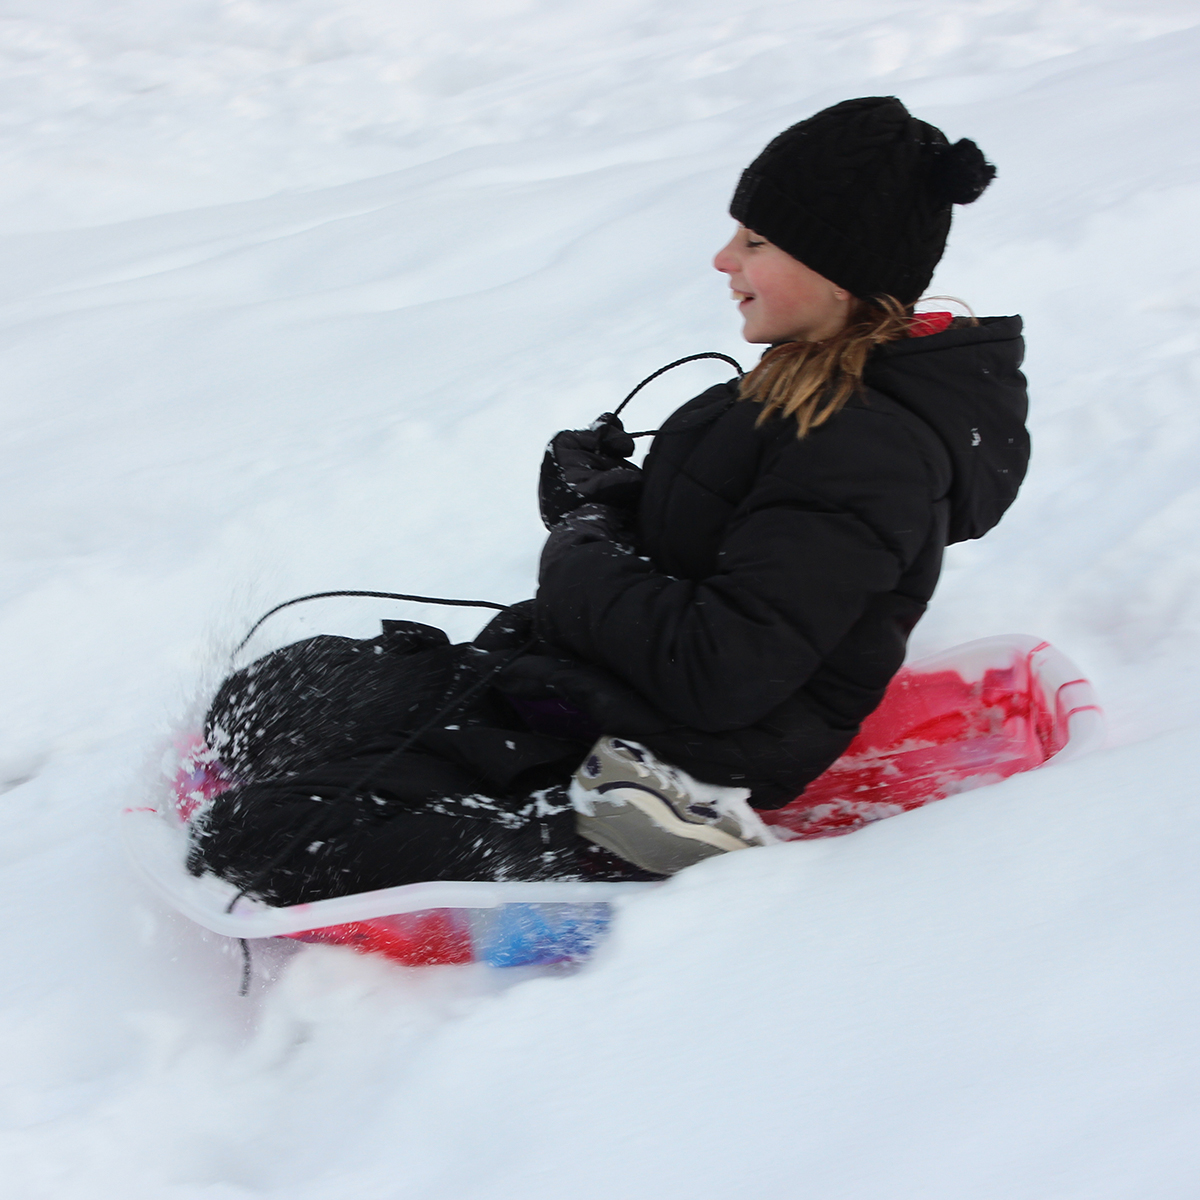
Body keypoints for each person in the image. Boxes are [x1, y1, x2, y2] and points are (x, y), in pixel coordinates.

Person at [187, 96, 1029, 905]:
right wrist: (607, 493)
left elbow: (720, 669)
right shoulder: (803, 389)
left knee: (257, 837)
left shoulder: (865, 450)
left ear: (836, 272)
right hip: (586, 684)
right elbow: (718, 545)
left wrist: (581, 541)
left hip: (665, 747)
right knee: (269, 696)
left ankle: (605, 844)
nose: (724, 260)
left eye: (756, 241)